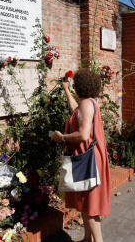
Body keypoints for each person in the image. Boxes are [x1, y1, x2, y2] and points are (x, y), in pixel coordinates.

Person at [51, 69, 111, 242]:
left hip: (87, 159)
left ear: (81, 86)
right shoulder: (87, 103)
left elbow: (83, 135)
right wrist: (66, 89)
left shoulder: (86, 104)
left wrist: (61, 137)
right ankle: (87, 239)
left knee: (90, 206)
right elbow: (75, 110)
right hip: (89, 157)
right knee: (86, 203)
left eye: (75, 85)